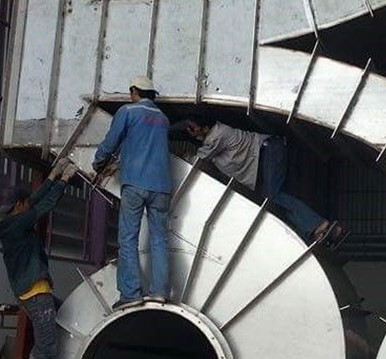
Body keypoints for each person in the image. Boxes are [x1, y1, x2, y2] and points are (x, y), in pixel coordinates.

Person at [181, 115, 344, 245]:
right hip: (266, 156)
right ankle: (316, 231)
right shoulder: (212, 139)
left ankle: (320, 224)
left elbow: (199, 159)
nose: (190, 131)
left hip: (269, 150)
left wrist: (181, 154)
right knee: (275, 203)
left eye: (192, 128)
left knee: (274, 195)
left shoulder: (217, 135)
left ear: (205, 128)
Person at [0, 158, 78, 359]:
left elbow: (34, 201)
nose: (28, 205)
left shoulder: (11, 220)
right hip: (36, 294)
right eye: (25, 203)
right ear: (19, 205)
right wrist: (64, 180)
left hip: (29, 293)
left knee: (63, 313)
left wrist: (54, 175)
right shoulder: (17, 224)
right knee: (49, 346)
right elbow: (45, 206)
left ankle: (36, 353)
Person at [93, 76, 172, 309]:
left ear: (134, 91)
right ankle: (159, 292)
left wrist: (99, 162)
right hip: (162, 187)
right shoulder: (163, 118)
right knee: (159, 239)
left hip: (135, 184)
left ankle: (131, 293)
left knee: (128, 239)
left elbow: (111, 141)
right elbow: (146, 146)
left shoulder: (127, 111)